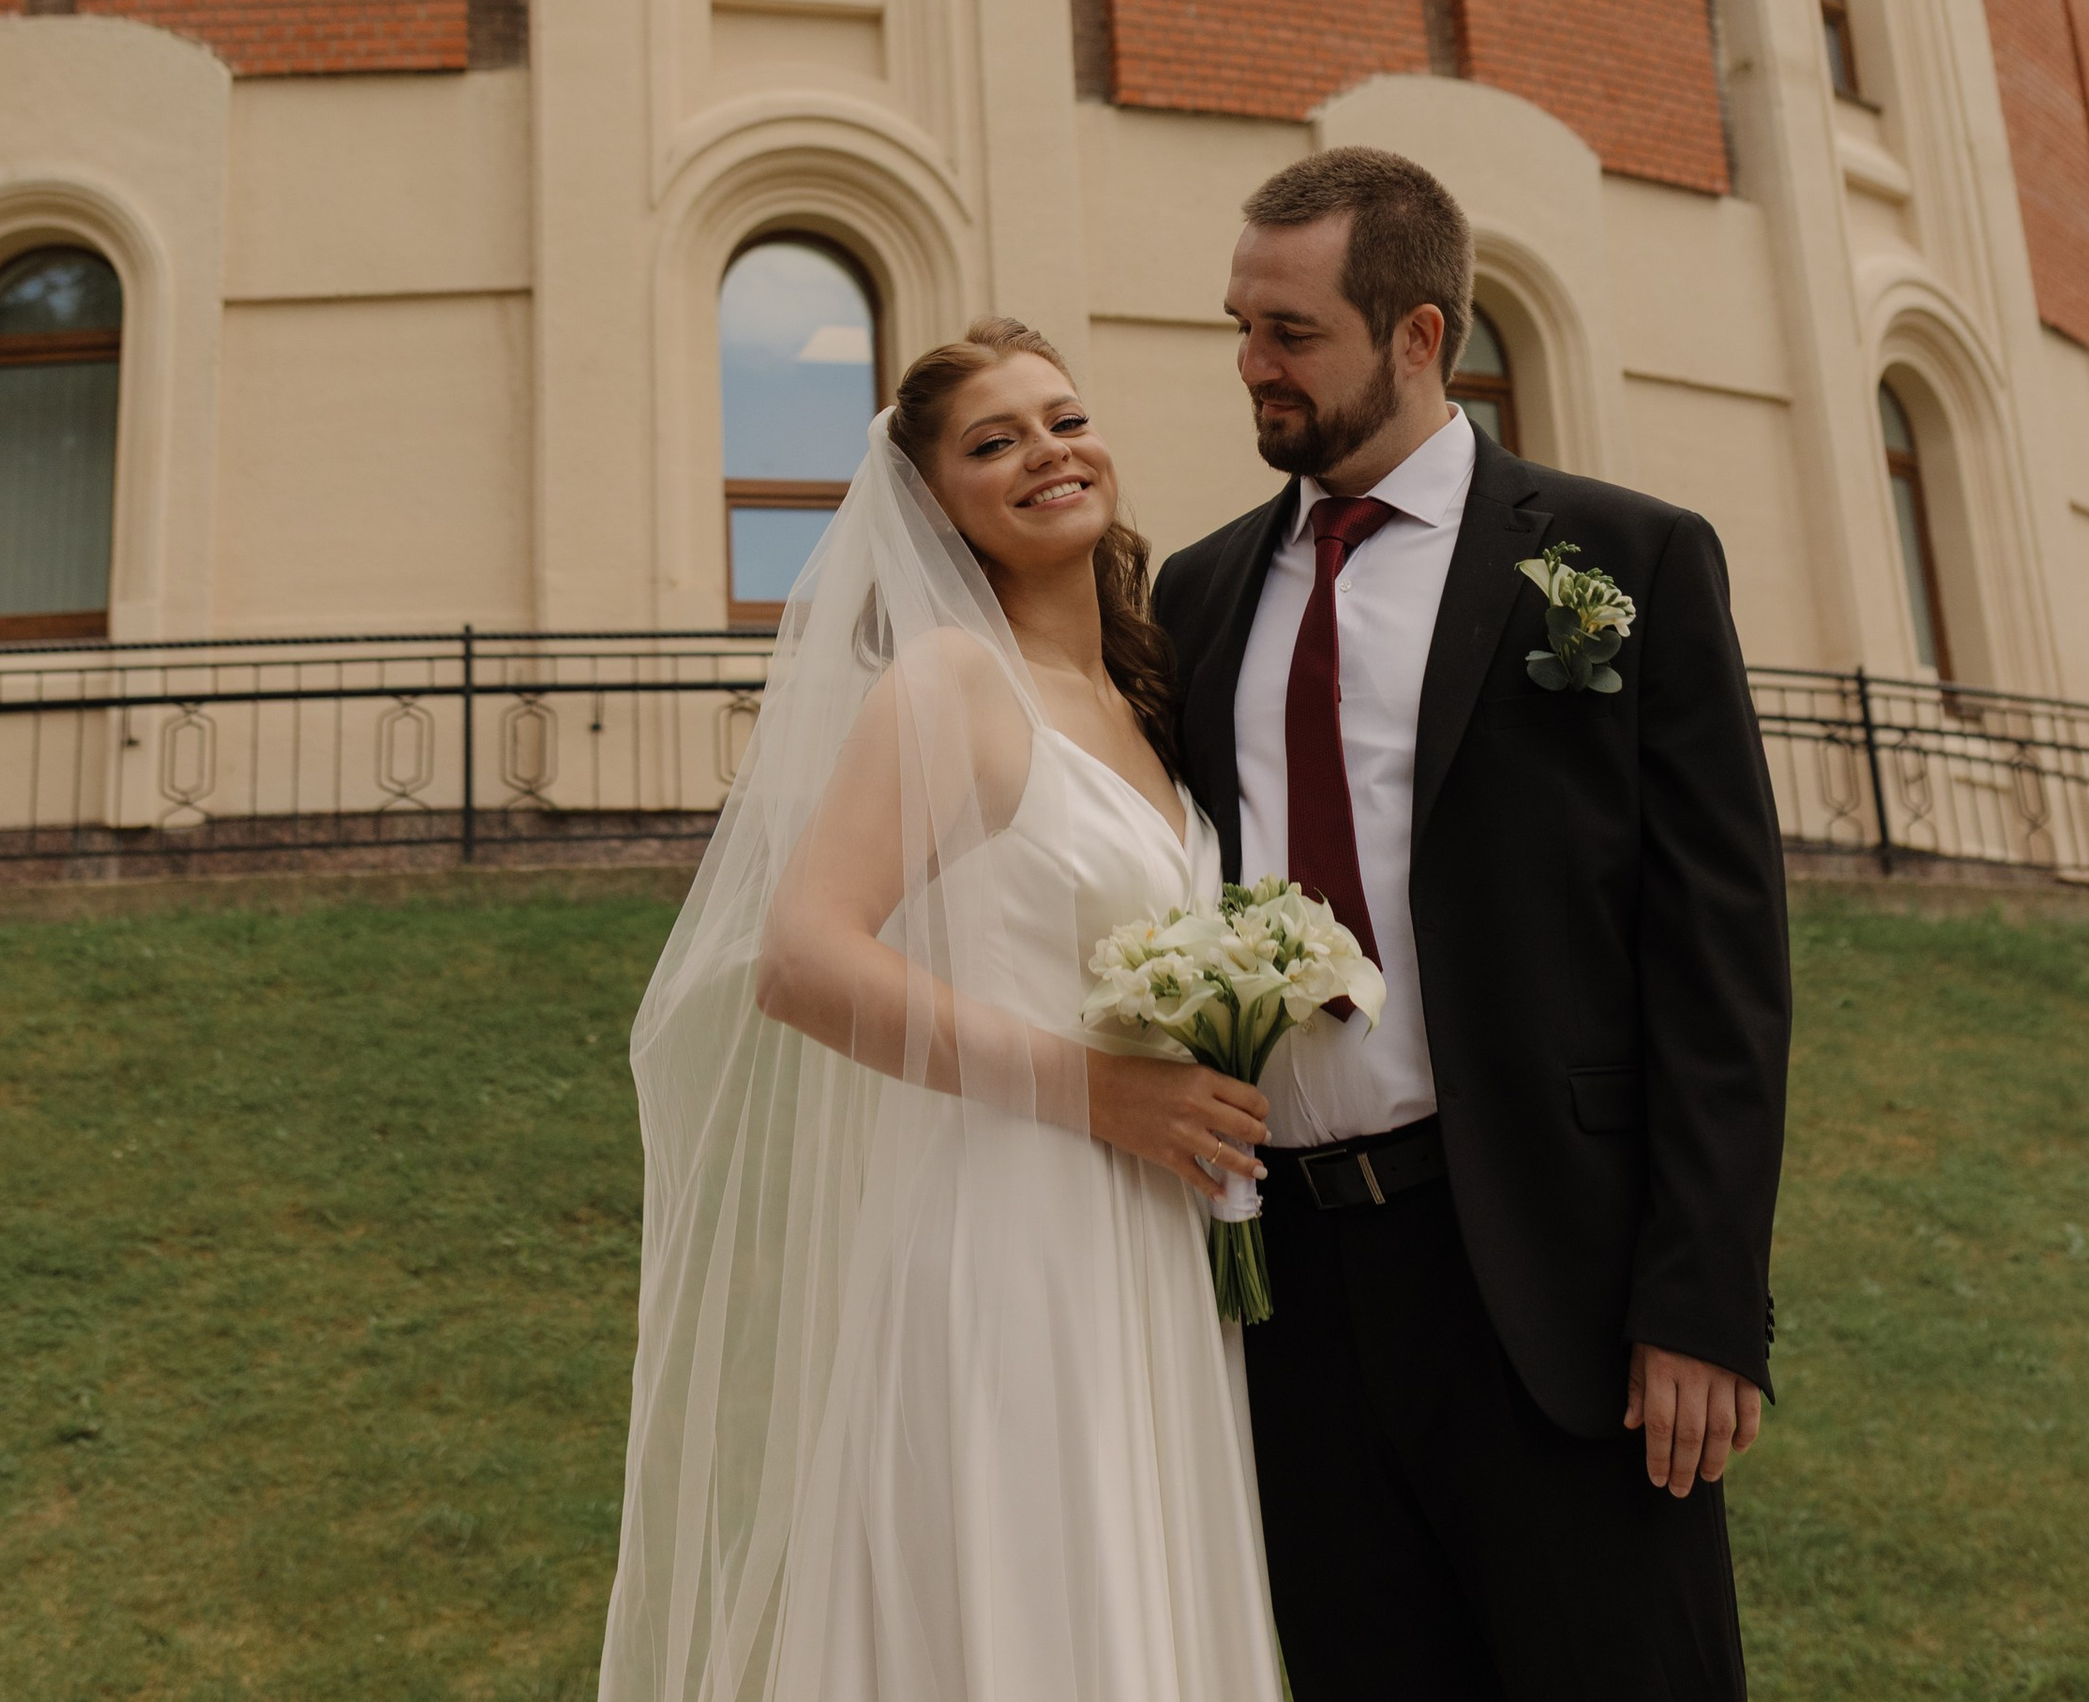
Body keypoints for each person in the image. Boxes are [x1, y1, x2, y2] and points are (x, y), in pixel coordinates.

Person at [1151, 146, 1791, 1702]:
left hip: (1550, 1285)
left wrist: (1701, 1303)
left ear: (1420, 334)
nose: (1255, 366)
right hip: (1287, 1299)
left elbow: (1721, 961)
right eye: (1241, 325)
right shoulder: (1199, 595)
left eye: (1292, 332)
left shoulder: (1626, 561)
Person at [598, 319, 1287, 1702]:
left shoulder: (1139, 698)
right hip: (1017, 1233)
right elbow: (802, 958)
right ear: (933, 501)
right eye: (995, 441)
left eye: (1064, 416)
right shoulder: (952, 682)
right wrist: (1096, 1092)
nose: (1047, 450)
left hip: (1152, 1241)